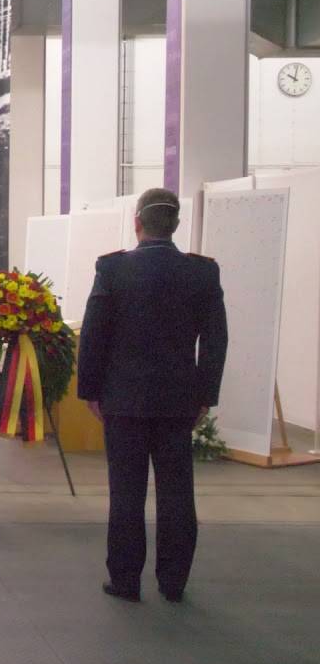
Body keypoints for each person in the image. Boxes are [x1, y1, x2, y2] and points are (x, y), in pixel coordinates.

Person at [79, 188, 227, 604]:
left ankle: (126, 581)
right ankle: (174, 581)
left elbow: (94, 336)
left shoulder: (113, 270)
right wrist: (205, 396)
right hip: (179, 402)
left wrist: (91, 391)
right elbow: (215, 342)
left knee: (126, 493)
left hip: (123, 400)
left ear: (137, 223)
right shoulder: (201, 274)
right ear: (176, 226)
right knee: (177, 493)